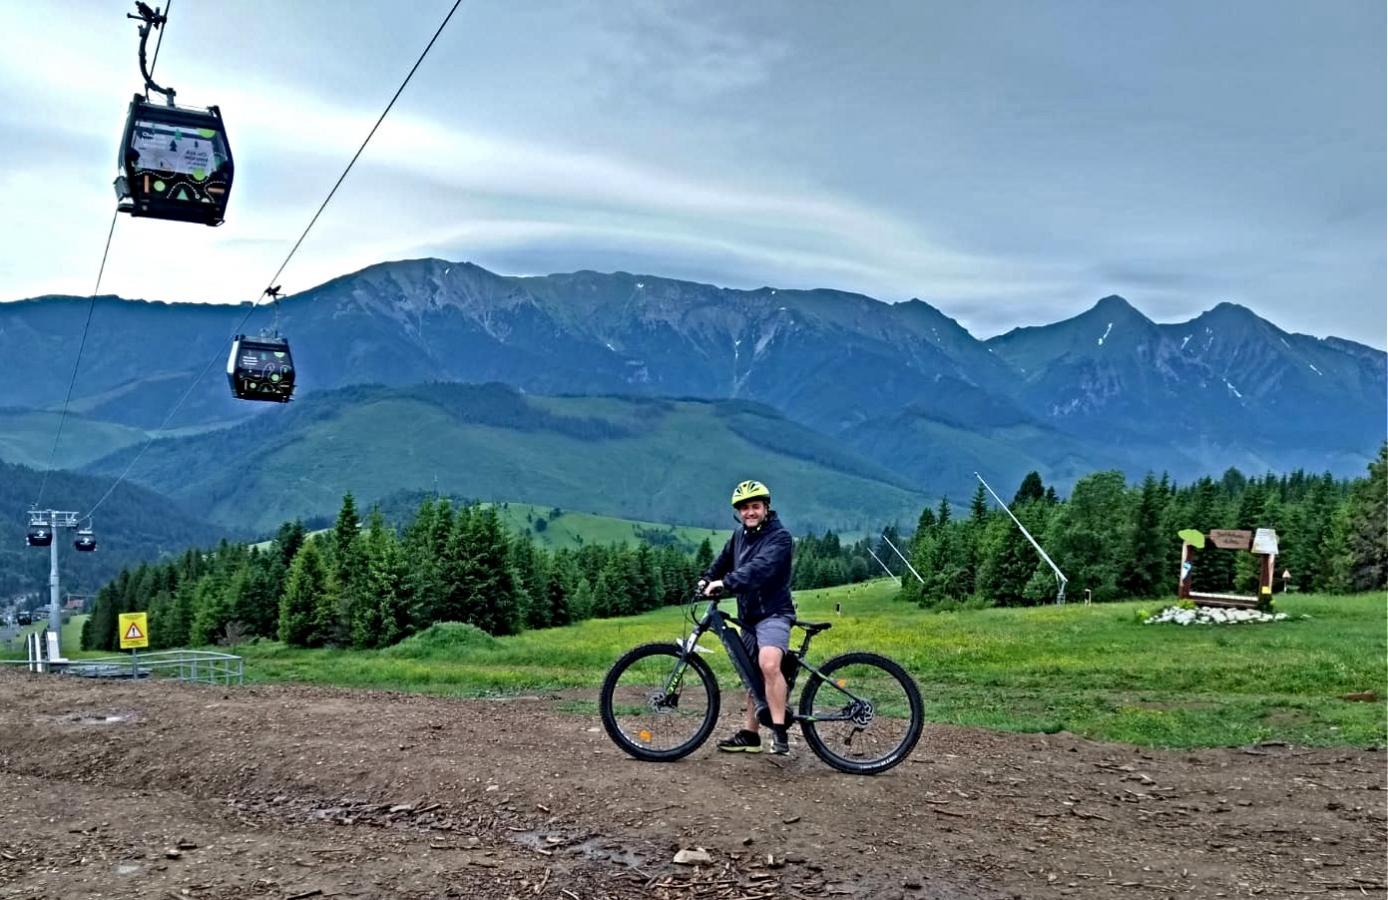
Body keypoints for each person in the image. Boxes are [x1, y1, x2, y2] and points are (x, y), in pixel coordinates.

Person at [700, 479, 795, 755]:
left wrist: (726, 583)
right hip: (749, 616)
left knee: (767, 664)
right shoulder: (740, 535)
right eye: (744, 508)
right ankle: (750, 734)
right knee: (749, 672)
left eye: (755, 506)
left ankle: (779, 734)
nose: (749, 512)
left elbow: (759, 569)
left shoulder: (780, 538)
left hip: (774, 612)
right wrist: (706, 580)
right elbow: (721, 563)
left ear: (766, 507)